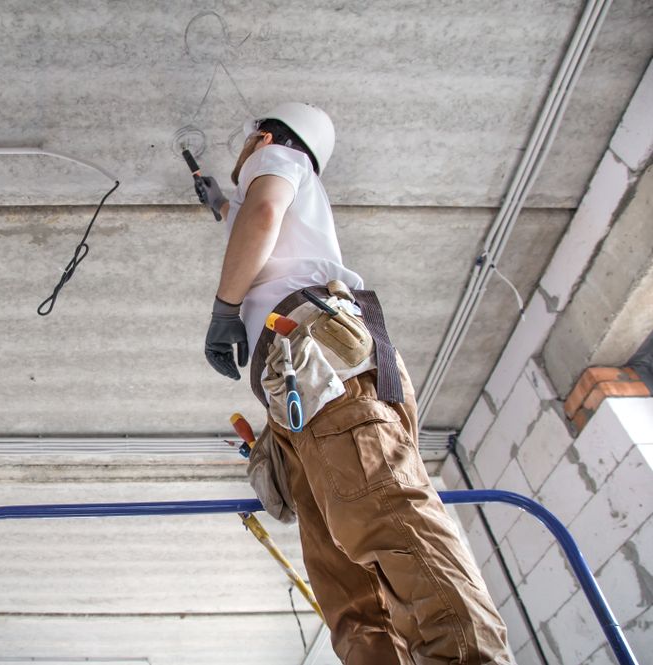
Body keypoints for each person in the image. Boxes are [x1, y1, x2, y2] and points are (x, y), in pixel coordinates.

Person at [195, 102, 512, 664]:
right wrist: (221, 201)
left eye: (247, 148)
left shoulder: (279, 153)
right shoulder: (282, 185)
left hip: (321, 365)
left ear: (265, 138)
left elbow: (263, 216)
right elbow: (252, 217)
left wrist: (226, 307)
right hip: (307, 385)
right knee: (348, 585)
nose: (244, 158)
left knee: (390, 526)